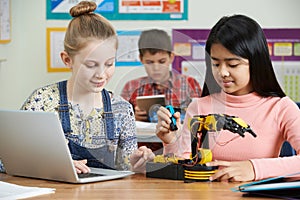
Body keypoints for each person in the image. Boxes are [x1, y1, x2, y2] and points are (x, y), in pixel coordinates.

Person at [0, 1, 154, 174]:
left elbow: (125, 170)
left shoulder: (122, 109)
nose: (101, 74)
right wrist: (54, 165)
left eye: (109, 63)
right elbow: (5, 161)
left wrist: (136, 165)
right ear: (67, 60)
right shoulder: (42, 101)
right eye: (91, 65)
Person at [155, 14, 300, 182]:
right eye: (216, 64)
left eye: (233, 64)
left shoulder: (281, 108)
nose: (222, 72)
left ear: (256, 62)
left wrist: (254, 168)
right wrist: (171, 141)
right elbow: (186, 169)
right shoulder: (199, 107)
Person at [121, 29, 202, 122]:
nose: (156, 68)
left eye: (162, 61)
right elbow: (119, 121)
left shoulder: (190, 84)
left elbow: (201, 118)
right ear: (141, 59)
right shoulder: (131, 87)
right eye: (150, 62)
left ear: (171, 57)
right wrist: (132, 118)